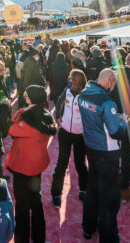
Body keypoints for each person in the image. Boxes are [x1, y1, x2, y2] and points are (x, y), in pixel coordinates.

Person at [78, 69, 127, 241]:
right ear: (111, 81)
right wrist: (123, 123)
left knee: (92, 189)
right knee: (109, 198)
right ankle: (108, 238)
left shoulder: (84, 94)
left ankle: (88, 227)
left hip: (91, 148)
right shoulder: (107, 102)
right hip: (107, 153)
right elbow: (116, 132)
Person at [6, 85, 57, 243]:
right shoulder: (47, 115)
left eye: (27, 95)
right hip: (37, 164)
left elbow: (12, 130)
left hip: (22, 164)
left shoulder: (27, 118)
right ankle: (39, 237)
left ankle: (22, 238)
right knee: (36, 200)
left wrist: (18, 111)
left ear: (32, 98)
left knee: (21, 205)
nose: (25, 96)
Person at [51, 69, 88, 208]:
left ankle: (84, 189)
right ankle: (56, 193)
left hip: (80, 134)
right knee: (62, 162)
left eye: (71, 78)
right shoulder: (67, 90)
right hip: (65, 131)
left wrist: (86, 129)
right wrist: (58, 118)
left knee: (80, 163)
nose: (68, 79)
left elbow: (89, 114)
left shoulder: (85, 95)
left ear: (77, 80)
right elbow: (59, 104)